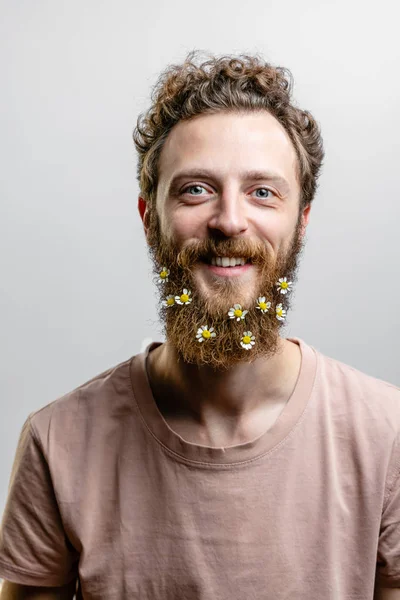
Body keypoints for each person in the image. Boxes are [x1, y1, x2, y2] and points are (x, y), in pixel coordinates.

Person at [0, 50, 399, 600]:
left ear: (301, 222)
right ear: (150, 219)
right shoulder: (58, 442)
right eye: (196, 189)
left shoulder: (389, 436)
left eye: (262, 192)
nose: (229, 220)